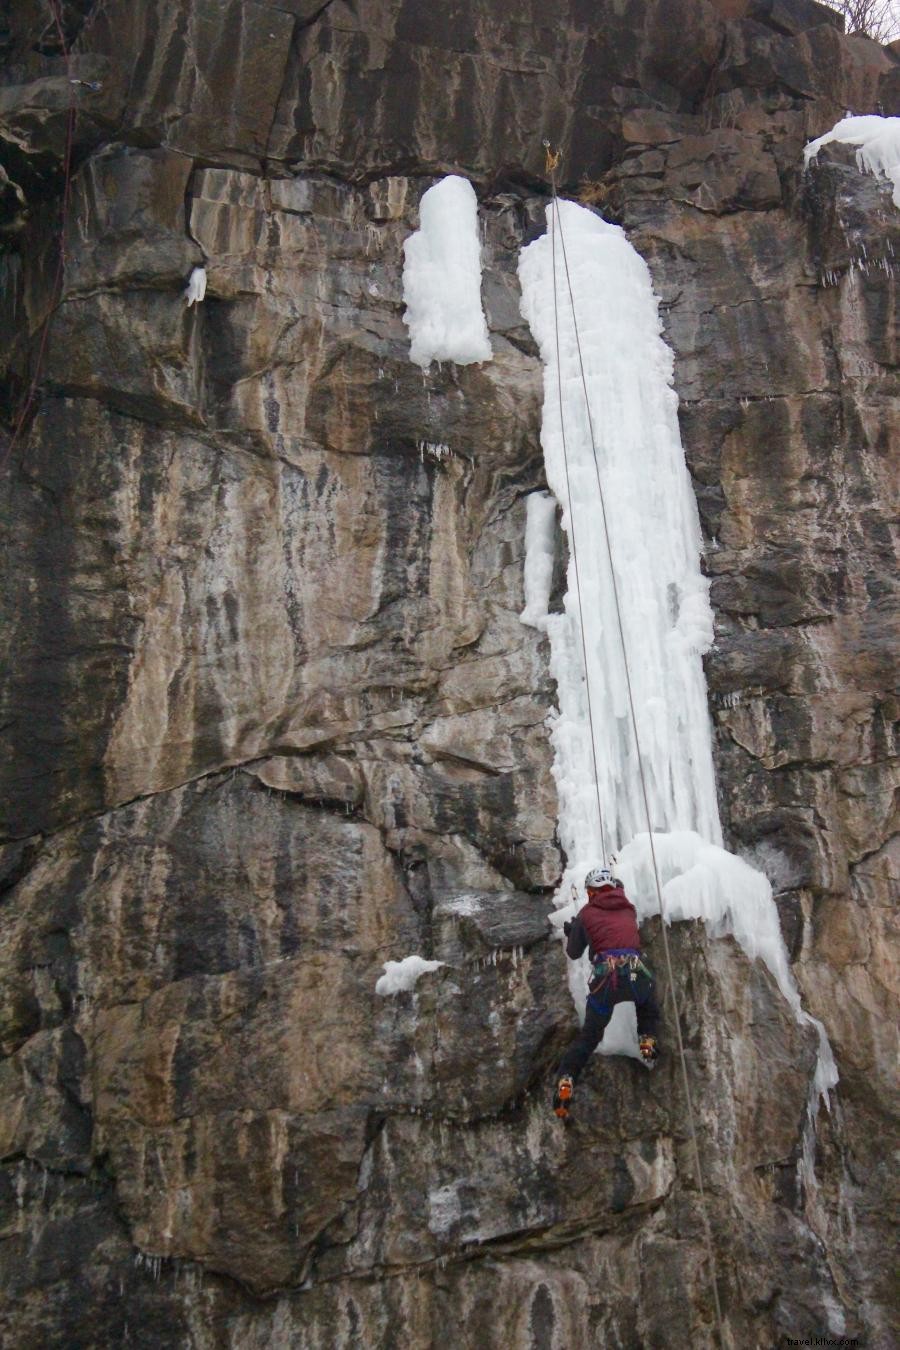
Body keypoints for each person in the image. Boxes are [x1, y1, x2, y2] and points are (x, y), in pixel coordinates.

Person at [553, 866, 660, 1118]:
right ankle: (647, 1038)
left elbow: (574, 953)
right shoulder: (628, 909)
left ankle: (567, 1077)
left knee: (590, 1035)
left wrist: (573, 932)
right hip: (635, 973)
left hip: (606, 980)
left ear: (591, 892)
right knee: (647, 1002)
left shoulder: (587, 913)